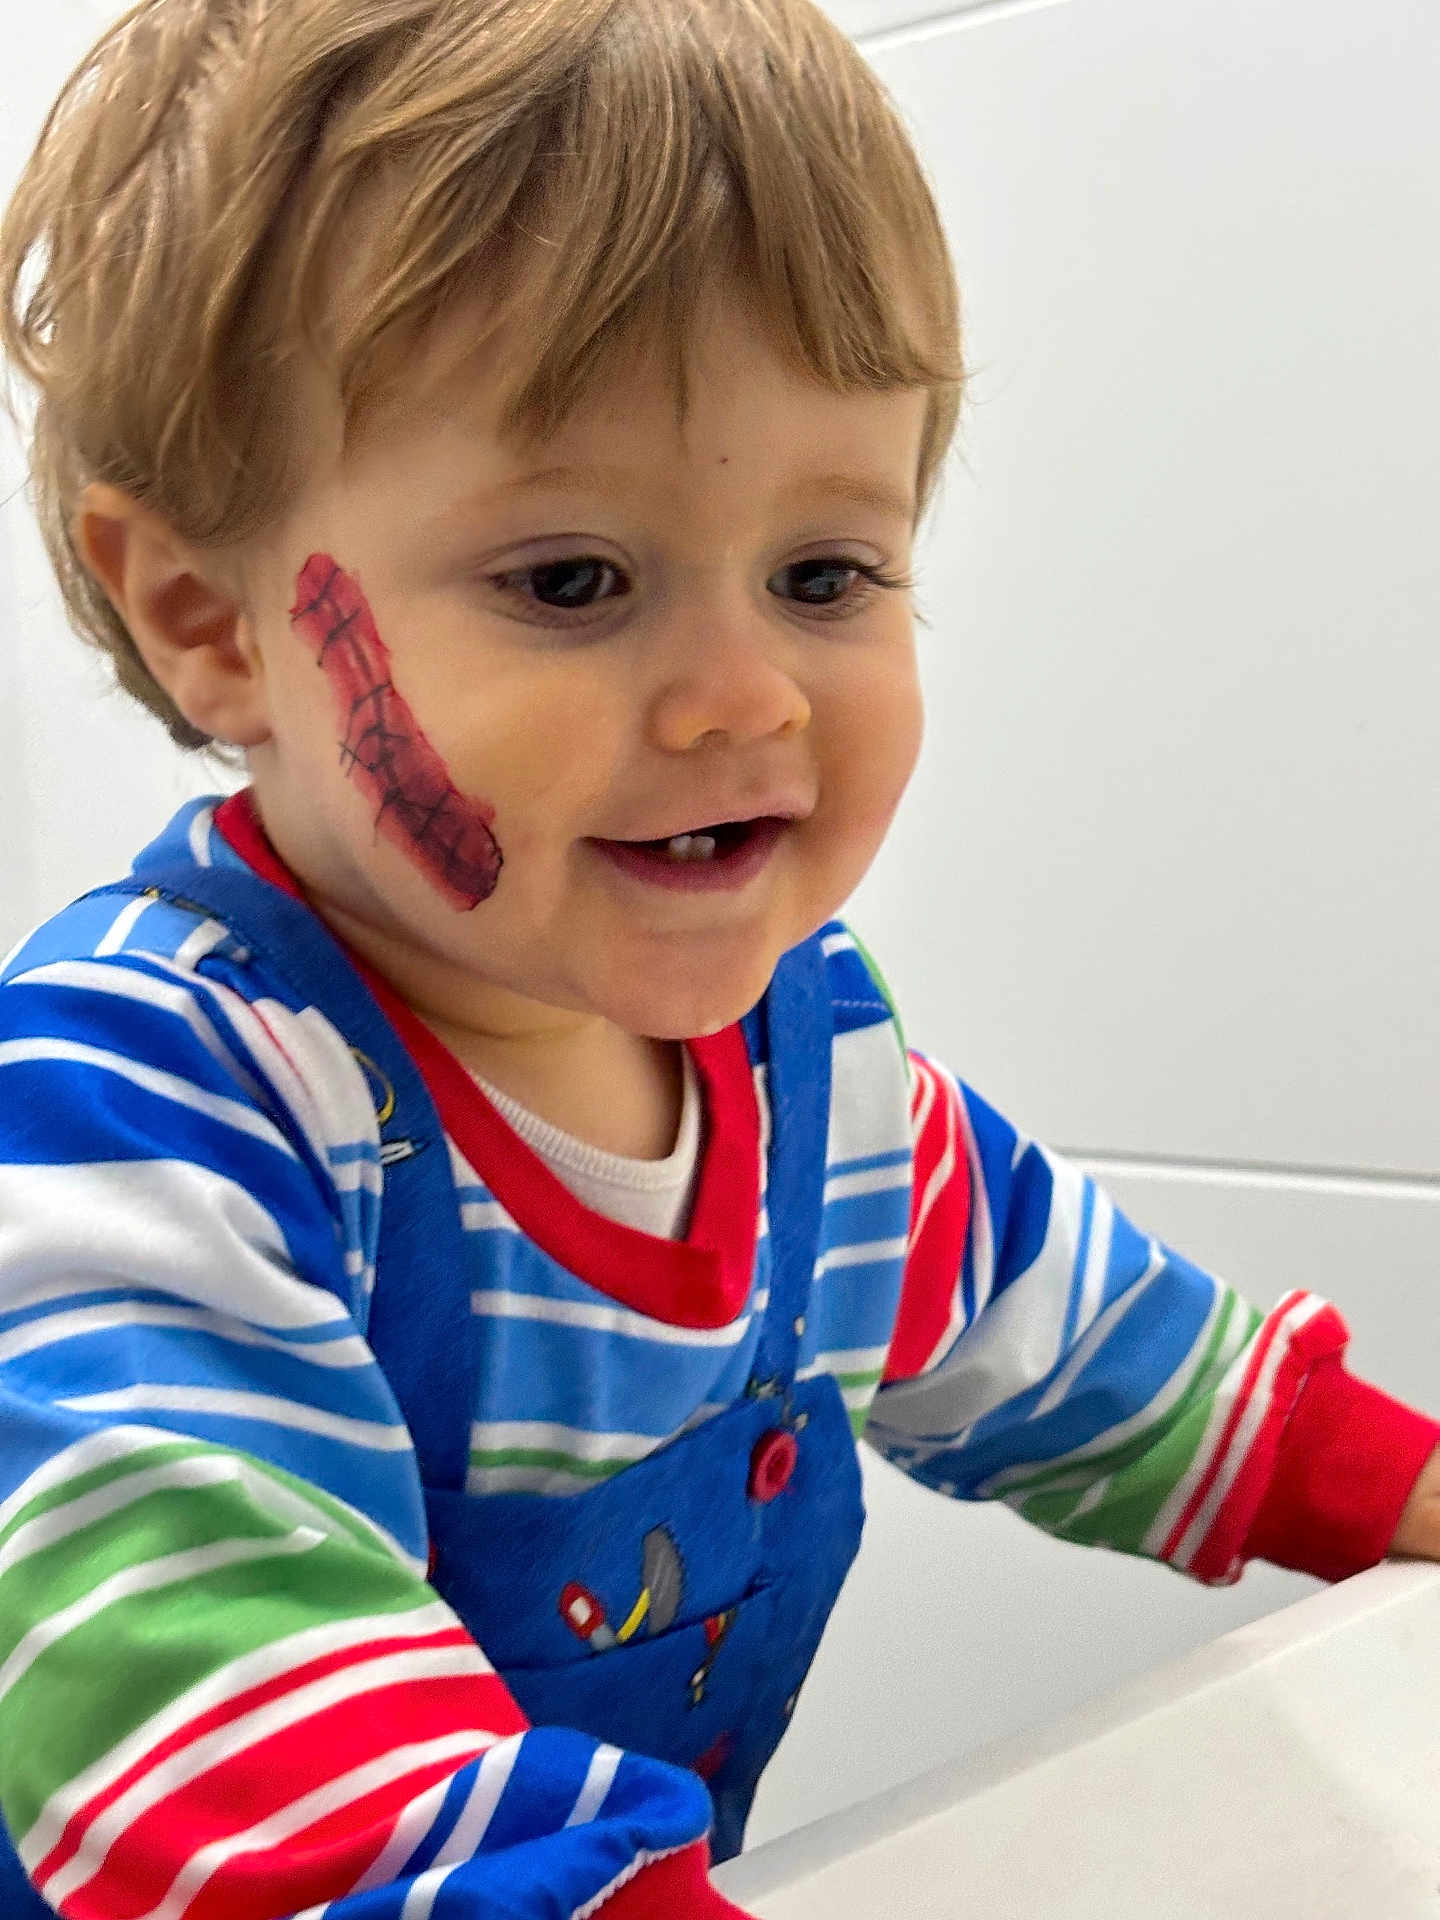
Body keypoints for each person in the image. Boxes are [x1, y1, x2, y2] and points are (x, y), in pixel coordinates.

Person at [0, 2, 1436, 1916]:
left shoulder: (812, 1064)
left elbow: (1098, 1349)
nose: (747, 697)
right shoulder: (126, 1105)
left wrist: (1392, 1489)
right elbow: (234, 1721)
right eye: (573, 580)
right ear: (213, 621)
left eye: (825, 575)